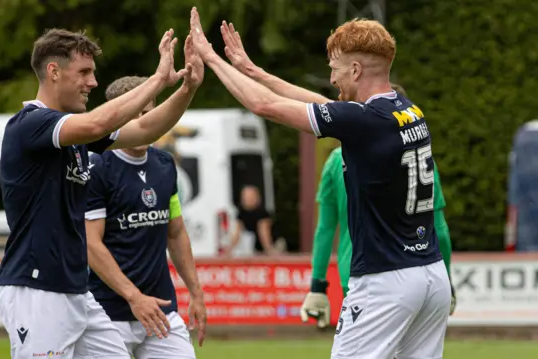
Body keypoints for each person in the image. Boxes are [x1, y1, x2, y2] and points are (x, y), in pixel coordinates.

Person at [190, 8, 451, 358]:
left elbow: (263, 105)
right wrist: (253, 70)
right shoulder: (406, 111)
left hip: (385, 280)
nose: (333, 78)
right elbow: (324, 106)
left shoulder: (363, 121)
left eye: (336, 69)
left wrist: (212, 59)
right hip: (431, 276)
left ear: (356, 70)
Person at [0, 27, 200, 359]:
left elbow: (147, 128)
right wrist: (159, 79)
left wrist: (188, 87)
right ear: (53, 72)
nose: (93, 82)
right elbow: (95, 125)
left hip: (77, 291)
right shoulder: (30, 124)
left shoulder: (74, 135)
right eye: (84, 72)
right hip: (37, 289)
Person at [84, 36, 206, 359]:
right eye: (133, 115)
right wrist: (133, 297)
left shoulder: (165, 164)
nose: (143, 123)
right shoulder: (97, 167)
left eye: (148, 113)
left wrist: (195, 291)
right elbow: (91, 245)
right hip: (109, 314)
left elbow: (175, 231)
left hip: (161, 310)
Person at [299, 83, 457, 329]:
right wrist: (446, 279)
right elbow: (440, 228)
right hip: (416, 271)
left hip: (357, 272)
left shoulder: (335, 161)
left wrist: (318, 285)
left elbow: (326, 229)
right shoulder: (422, 157)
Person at [224, 185, 285, 256]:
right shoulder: (241, 214)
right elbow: (237, 234)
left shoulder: (262, 214)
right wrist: (229, 249)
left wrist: (269, 250)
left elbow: (264, 233)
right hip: (258, 245)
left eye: (249, 197)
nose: (246, 199)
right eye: (245, 197)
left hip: (275, 242)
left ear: (256, 198)